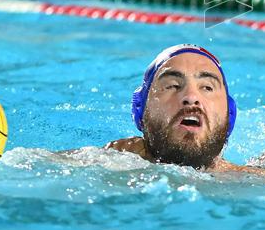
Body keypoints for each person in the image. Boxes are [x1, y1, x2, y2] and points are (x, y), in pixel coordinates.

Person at [106, 43, 250, 172]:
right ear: (140, 110)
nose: (191, 97)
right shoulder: (108, 163)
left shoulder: (256, 181)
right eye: (172, 86)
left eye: (207, 87)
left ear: (230, 115)